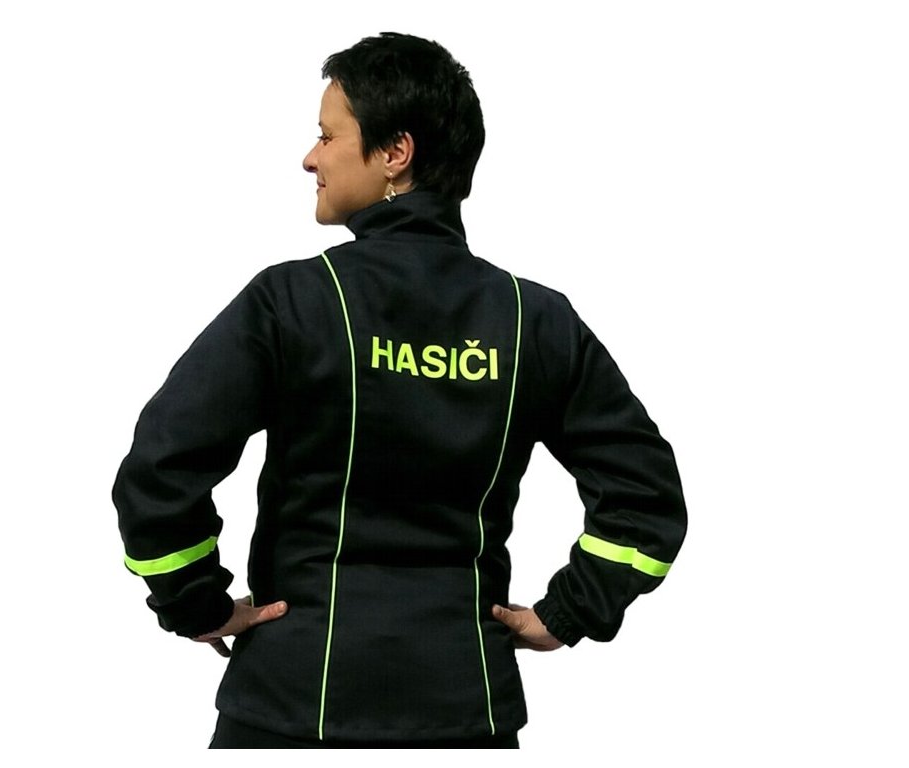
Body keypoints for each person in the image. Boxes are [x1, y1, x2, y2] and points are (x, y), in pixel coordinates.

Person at [113, 32, 687, 749]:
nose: (311, 157)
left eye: (328, 135)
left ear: (395, 153)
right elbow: (647, 498)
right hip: (464, 711)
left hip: (295, 705)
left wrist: (196, 603)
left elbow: (159, 469)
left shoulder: (293, 302)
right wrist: (572, 613)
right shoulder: (533, 321)